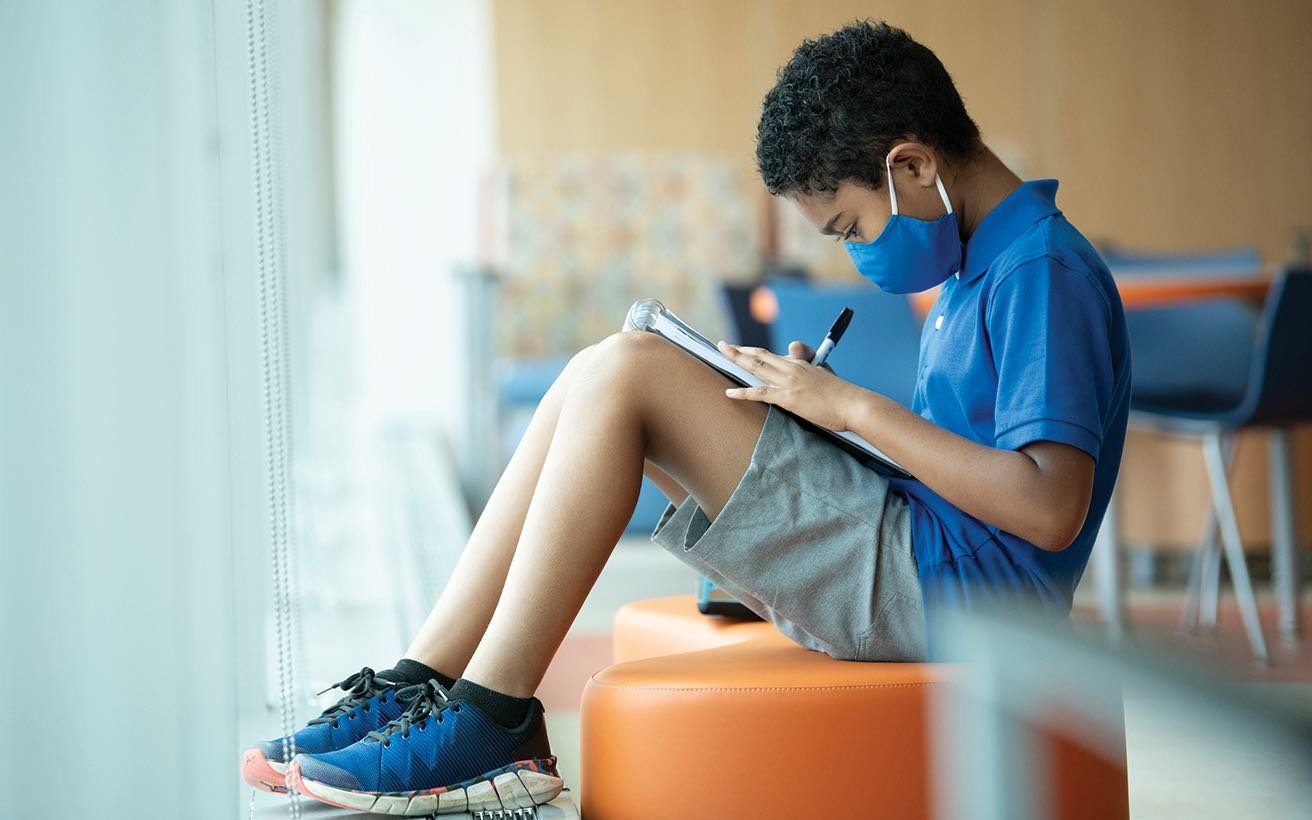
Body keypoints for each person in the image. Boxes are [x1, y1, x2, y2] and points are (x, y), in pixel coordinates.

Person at [242, 19, 1131, 815]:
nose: (853, 251)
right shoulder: (987, 262)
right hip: (923, 562)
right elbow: (968, 467)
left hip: (954, 601)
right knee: (600, 370)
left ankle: (491, 718)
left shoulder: (1036, 273)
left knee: (629, 374)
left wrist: (851, 405)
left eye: (848, 226)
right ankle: (423, 682)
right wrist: (830, 423)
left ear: (912, 166)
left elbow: (1048, 508)